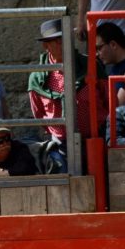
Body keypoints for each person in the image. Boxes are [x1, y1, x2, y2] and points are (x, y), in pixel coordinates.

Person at [28, 19, 107, 172]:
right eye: (58, 42)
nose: (64, 45)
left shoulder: (91, 65)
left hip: (95, 139)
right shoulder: (38, 77)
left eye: (67, 40)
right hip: (60, 144)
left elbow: (108, 100)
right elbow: (39, 114)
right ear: (46, 46)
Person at [95, 22, 125, 106]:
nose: (97, 53)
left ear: (113, 44)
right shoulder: (118, 66)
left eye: (99, 48)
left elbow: (117, 107)